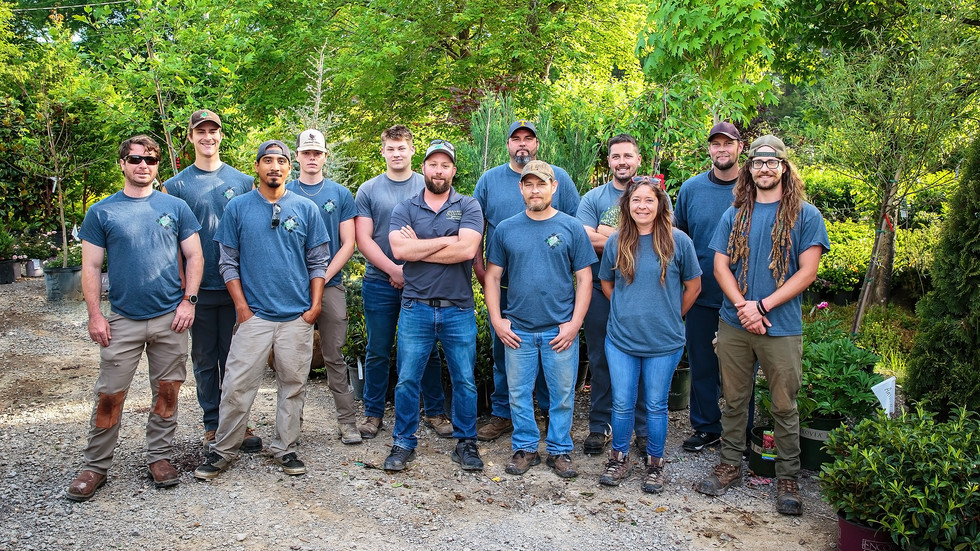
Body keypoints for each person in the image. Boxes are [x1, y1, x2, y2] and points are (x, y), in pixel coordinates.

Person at [695, 135, 829, 516]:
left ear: (784, 167)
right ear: (749, 169)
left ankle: (787, 477)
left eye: (772, 162)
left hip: (781, 326)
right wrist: (742, 307)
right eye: (757, 162)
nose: (764, 168)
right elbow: (720, 265)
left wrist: (763, 306)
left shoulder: (805, 215)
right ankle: (729, 465)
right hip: (735, 322)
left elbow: (808, 271)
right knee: (735, 400)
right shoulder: (736, 213)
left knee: (784, 405)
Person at [67, 135, 204, 501]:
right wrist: (96, 315)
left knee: (168, 391)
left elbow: (194, 257)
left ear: (158, 165)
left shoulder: (176, 207)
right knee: (110, 395)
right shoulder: (102, 212)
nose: (143, 165)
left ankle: (159, 457)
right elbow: (91, 266)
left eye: (150, 159)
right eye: (135, 159)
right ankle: (96, 465)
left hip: (170, 318)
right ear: (123, 163)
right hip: (122, 320)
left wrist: (188, 301)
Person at [194, 140, 330, 479]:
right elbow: (227, 261)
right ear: (256, 167)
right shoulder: (239, 208)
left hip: (296, 317)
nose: (274, 166)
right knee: (237, 386)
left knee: (293, 385)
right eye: (267, 160)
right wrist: (242, 307)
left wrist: (314, 308)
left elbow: (318, 261)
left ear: (289, 168)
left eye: (281, 161)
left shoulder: (305, 209)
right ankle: (223, 449)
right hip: (254, 317)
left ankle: (285, 448)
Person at [484, 160, 595, 478]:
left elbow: (585, 279)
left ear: (553, 186)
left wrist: (574, 325)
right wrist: (497, 320)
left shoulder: (571, 227)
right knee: (518, 394)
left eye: (541, 184)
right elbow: (492, 278)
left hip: (558, 330)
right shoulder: (506, 229)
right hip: (517, 330)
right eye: (528, 184)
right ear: (520, 188)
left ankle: (560, 451)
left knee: (561, 396)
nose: (535, 190)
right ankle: (526, 448)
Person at [473, 120, 582, 442]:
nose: (522, 144)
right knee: (504, 352)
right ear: (507, 144)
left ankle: (550, 414)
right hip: (505, 287)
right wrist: (482, 274)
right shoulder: (490, 180)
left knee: (552, 350)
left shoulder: (557, 176)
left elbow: (576, 226)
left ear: (537, 144)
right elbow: (475, 229)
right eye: (516, 139)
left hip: (550, 291)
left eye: (528, 139)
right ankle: (504, 414)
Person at [382, 140, 485, 472]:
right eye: (433, 164)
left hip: (458, 309)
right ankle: (403, 443)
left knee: (465, 381)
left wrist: (421, 246)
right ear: (423, 168)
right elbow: (400, 252)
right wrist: (446, 240)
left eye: (445, 165)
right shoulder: (406, 208)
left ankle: (466, 444)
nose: (438, 170)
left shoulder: (469, 206)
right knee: (407, 380)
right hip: (416, 307)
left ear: (453, 170)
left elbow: (467, 251)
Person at [596, 176, 701, 494]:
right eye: (636, 200)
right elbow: (606, 282)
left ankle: (654, 464)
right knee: (623, 402)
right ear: (627, 205)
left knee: (656, 404)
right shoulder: (617, 241)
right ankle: (618, 458)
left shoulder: (678, 241)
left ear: (660, 204)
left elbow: (694, 286)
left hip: (664, 341)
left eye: (649, 200)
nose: (642, 206)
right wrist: (625, 309)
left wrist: (670, 314)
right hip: (622, 340)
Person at [162, 109, 258, 452]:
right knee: (204, 359)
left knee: (238, 360)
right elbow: (171, 242)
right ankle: (212, 424)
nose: (207, 137)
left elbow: (252, 235)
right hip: (198, 290)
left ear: (221, 136)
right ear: (190, 137)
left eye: (213, 131)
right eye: (200, 131)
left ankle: (239, 423)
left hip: (237, 289)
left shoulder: (244, 182)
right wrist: (181, 289)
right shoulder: (175, 187)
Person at [354, 125, 450, 440]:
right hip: (379, 282)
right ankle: (373, 412)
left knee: (427, 350)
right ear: (383, 152)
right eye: (390, 148)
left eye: (402, 148)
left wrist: (408, 271)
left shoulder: (428, 185)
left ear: (412, 151)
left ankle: (434, 411)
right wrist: (394, 270)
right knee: (378, 349)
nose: (396, 154)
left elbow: (438, 235)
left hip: (422, 283)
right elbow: (363, 239)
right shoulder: (369, 190)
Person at [285, 129, 360, 445]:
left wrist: (323, 277)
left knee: (334, 355)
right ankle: (290, 426)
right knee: (292, 359)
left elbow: (349, 243)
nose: (312, 158)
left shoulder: (340, 194)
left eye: (317, 153)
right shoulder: (283, 191)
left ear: (325, 156)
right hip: (291, 287)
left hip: (330, 284)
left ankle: (347, 422)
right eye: (306, 153)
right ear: (298, 156)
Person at [577, 133, 649, 455]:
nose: (622, 162)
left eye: (628, 156)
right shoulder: (593, 198)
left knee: (644, 359)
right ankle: (599, 426)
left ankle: (643, 429)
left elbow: (659, 239)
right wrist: (630, 234)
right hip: (598, 291)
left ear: (638, 160)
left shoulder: (653, 195)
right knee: (600, 359)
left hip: (642, 294)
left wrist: (605, 233)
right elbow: (584, 239)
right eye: (616, 156)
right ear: (609, 161)